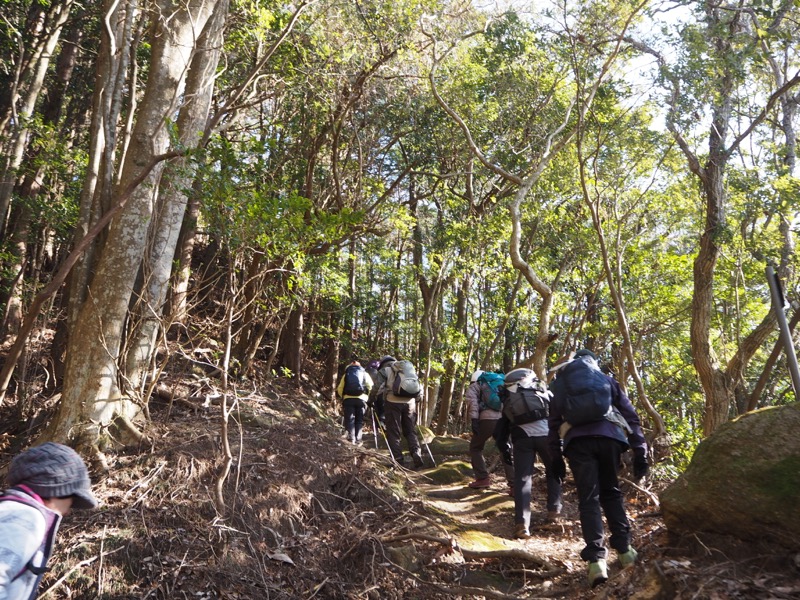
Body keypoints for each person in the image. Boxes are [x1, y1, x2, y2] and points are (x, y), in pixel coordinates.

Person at [548, 349, 649, 587]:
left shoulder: (561, 383)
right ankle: (625, 551)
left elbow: (552, 424)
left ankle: (596, 562)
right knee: (611, 492)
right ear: (593, 362)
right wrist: (640, 450)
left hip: (578, 443)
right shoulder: (605, 379)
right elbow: (631, 416)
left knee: (589, 498)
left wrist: (555, 458)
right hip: (610, 438)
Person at [0, 442, 99, 599]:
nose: (68, 511)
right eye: (72, 500)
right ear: (55, 490)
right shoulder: (25, 517)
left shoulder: (12, 509)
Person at [493, 368, 562, 539]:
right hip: (546, 435)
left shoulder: (510, 395)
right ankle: (553, 514)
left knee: (523, 479)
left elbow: (501, 428)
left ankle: (522, 524)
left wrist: (505, 449)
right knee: (554, 472)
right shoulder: (541, 389)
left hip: (522, 438)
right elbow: (557, 413)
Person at [466, 370, 514, 491]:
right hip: (503, 419)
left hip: (487, 420)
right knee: (506, 450)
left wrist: (474, 420)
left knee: (475, 447)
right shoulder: (499, 383)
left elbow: (472, 402)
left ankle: (482, 479)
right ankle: (515, 485)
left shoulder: (476, 385)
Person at [374, 355, 424, 468]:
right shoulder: (407, 369)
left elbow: (377, 387)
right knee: (410, 431)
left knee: (393, 432)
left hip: (392, 402)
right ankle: (416, 452)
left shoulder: (385, 370)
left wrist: (371, 400)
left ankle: (397, 459)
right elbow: (418, 387)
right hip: (410, 403)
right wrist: (417, 399)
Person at [337, 358, 373, 445]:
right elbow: (371, 386)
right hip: (361, 400)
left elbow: (340, 388)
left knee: (350, 420)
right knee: (359, 420)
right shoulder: (365, 374)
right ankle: (358, 440)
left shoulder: (346, 374)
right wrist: (367, 397)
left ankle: (351, 439)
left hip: (348, 399)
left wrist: (343, 396)